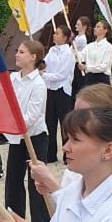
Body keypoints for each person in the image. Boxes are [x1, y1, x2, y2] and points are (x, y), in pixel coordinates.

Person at [0, 40, 49, 222]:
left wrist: (12, 124)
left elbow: (31, 116)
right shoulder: (13, 78)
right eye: (17, 51)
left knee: (36, 184)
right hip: (16, 138)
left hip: (35, 138)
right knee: (13, 181)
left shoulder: (38, 84)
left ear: (33, 57)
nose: (17, 54)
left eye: (21, 52)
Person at [42, 24, 76, 164]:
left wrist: (44, 75)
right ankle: (50, 154)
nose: (54, 35)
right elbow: (46, 64)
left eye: (57, 33)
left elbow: (62, 74)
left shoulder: (68, 53)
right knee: (49, 121)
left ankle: (67, 154)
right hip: (50, 89)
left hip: (62, 90)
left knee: (64, 123)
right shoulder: (51, 50)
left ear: (65, 37)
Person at [78, 19, 112, 86]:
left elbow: (104, 66)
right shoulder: (89, 46)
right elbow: (80, 57)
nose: (95, 28)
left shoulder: (108, 47)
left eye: (98, 27)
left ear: (105, 30)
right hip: (89, 79)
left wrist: (87, 67)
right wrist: (73, 46)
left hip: (101, 80)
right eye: (95, 27)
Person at [71, 17, 90, 97]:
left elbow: (73, 51)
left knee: (78, 86)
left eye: (78, 25)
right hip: (75, 62)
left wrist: (72, 43)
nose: (76, 26)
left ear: (84, 27)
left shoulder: (82, 39)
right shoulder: (77, 37)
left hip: (79, 63)